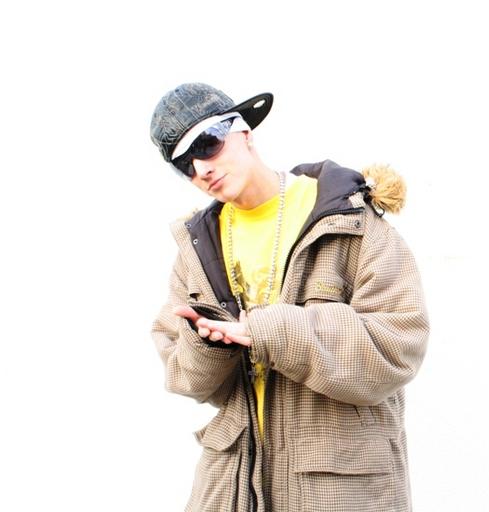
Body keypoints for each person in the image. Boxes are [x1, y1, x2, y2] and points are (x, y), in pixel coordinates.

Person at [148, 82, 429, 512]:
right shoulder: (197, 249)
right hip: (234, 485)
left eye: (206, 144)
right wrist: (209, 346)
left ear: (244, 131)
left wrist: (268, 332)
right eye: (184, 164)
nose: (201, 168)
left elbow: (398, 347)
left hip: (337, 485)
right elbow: (185, 378)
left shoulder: (348, 218)